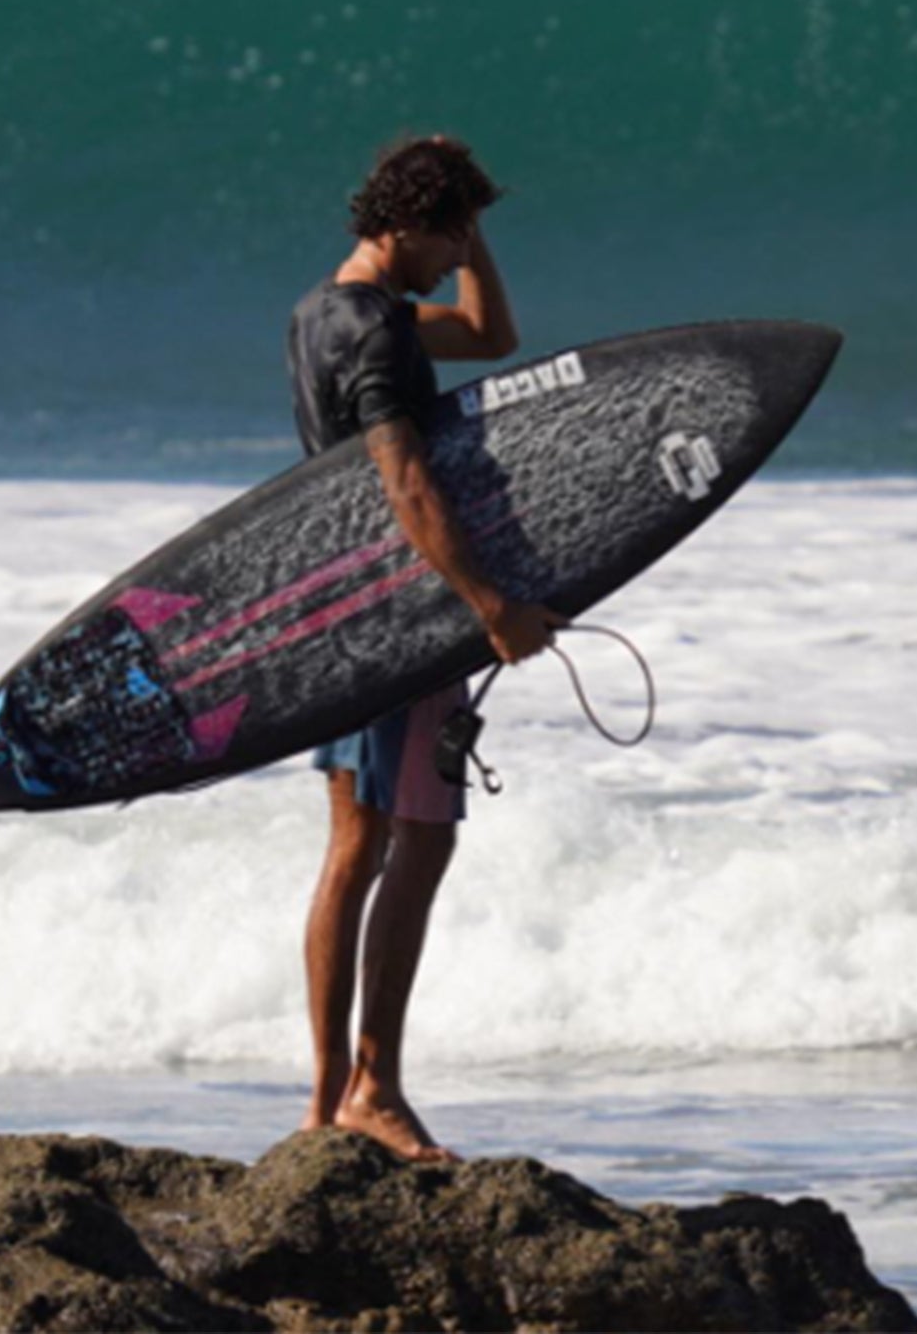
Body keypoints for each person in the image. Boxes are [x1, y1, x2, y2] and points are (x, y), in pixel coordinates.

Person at [287, 135, 557, 1162]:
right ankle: (376, 1088)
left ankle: (324, 1103)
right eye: (449, 234)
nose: (456, 256)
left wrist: (475, 231)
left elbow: (489, 334)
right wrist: (489, 604)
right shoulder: (381, 339)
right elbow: (406, 484)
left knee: (354, 849)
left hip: (338, 610)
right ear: (402, 225)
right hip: (408, 614)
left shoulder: (323, 312)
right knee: (420, 839)